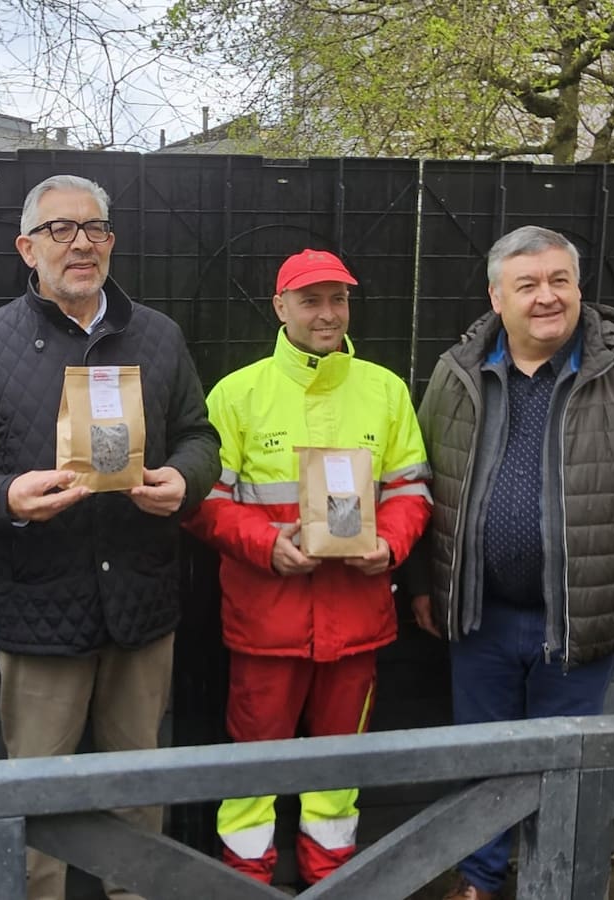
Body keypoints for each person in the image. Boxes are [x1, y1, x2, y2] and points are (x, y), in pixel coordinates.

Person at [0, 173, 220, 900]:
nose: (81, 243)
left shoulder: (158, 336)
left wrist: (185, 480)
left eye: (95, 228)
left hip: (141, 606)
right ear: (27, 247)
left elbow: (199, 437)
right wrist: (8, 497)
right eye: (60, 229)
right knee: (35, 802)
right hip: (38, 605)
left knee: (136, 795)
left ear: (112, 243)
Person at [408, 225, 614, 900]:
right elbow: (422, 483)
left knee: (569, 770)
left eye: (559, 280)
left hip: (581, 619)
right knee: (484, 764)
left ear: (578, 287)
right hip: (479, 618)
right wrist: (422, 585)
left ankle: (551, 886)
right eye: (527, 284)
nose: (546, 297)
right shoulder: (456, 373)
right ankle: (478, 882)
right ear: (496, 295)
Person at [184, 249, 432, 888]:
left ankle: (332, 882)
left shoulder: (385, 389)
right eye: (311, 300)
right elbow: (204, 503)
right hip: (267, 621)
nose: (328, 314)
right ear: (280, 307)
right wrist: (265, 545)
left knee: (339, 771)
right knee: (253, 770)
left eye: (338, 299)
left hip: (357, 620)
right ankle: (247, 883)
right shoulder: (237, 394)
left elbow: (411, 489)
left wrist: (392, 546)